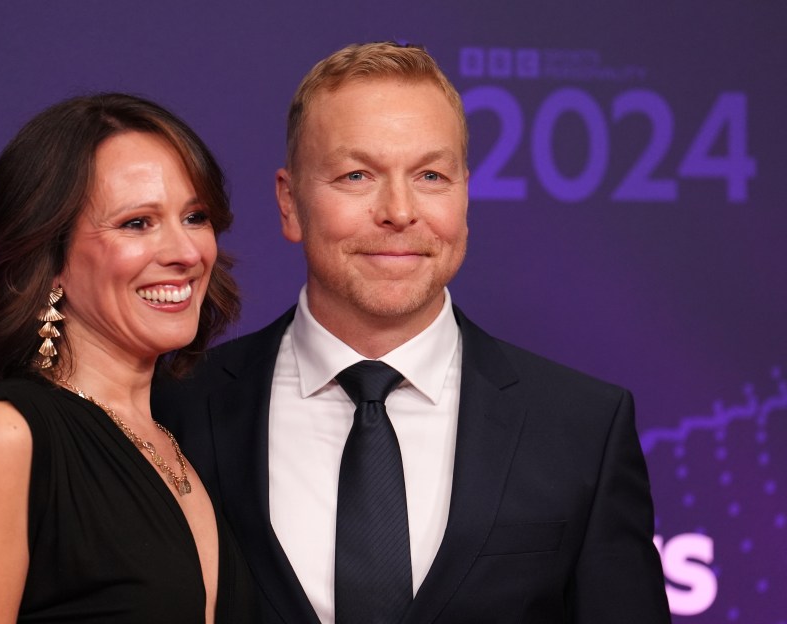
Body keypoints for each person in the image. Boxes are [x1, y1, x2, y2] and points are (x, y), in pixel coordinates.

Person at [151, 42, 671, 623]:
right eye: (356, 175)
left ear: (464, 194)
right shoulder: (172, 411)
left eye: (430, 175)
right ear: (290, 203)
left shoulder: (582, 428)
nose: (399, 211)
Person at [0, 93, 256, 623]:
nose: (186, 252)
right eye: (137, 223)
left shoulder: (176, 441)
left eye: (194, 216)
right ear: (50, 260)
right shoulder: (5, 437)